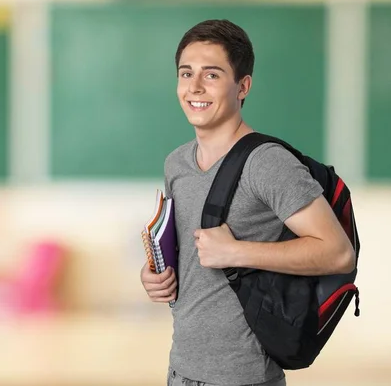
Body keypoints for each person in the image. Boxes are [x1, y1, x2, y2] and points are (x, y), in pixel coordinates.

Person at [139, 19, 355, 386]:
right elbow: (194, 259)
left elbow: (337, 253)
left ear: (243, 86)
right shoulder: (176, 163)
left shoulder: (267, 163)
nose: (193, 87)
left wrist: (236, 252)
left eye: (211, 75)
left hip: (244, 378)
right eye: (185, 73)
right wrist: (156, 276)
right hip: (181, 371)